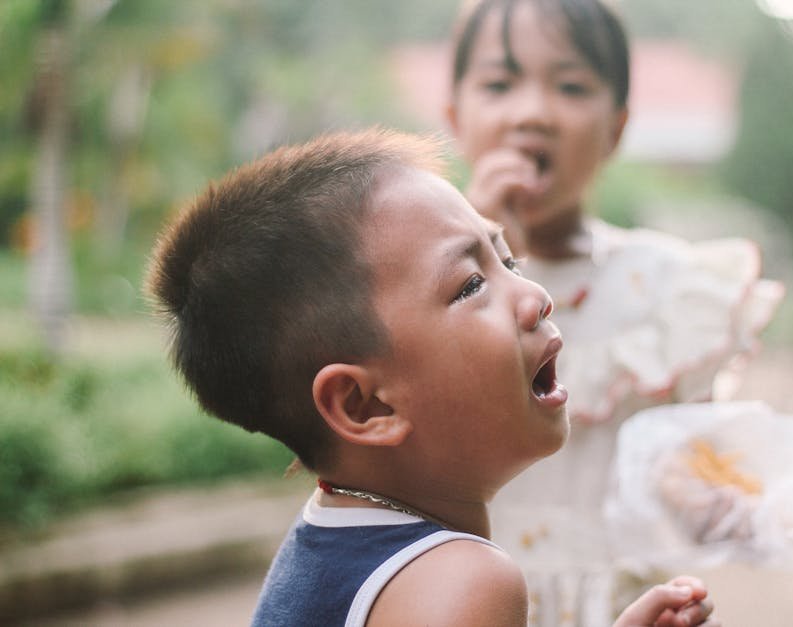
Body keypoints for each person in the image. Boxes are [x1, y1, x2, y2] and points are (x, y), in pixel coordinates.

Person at [146, 128, 720, 626]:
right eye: (471, 284)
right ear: (365, 406)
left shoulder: (330, 546)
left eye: (508, 261)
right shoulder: (463, 581)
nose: (536, 297)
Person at [445, 0, 783, 624]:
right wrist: (474, 252)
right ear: (454, 117)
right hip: (475, 603)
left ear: (617, 126)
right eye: (499, 83)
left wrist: (712, 499)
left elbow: (696, 463)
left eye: (570, 85)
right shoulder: (427, 287)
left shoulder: (666, 289)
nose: (533, 112)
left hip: (624, 605)